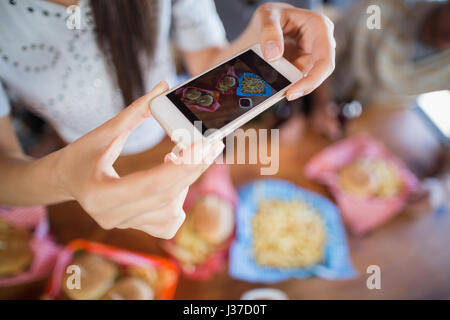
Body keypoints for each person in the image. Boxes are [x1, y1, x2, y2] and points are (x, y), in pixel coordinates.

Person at [0, 0, 335, 238]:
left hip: (173, 136)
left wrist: (259, 40)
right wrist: (62, 177)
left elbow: (207, 60)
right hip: (66, 158)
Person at [309, 0, 450, 139]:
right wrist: (321, 103)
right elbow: (322, 46)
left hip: (366, 123)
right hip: (316, 89)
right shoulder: (380, 8)